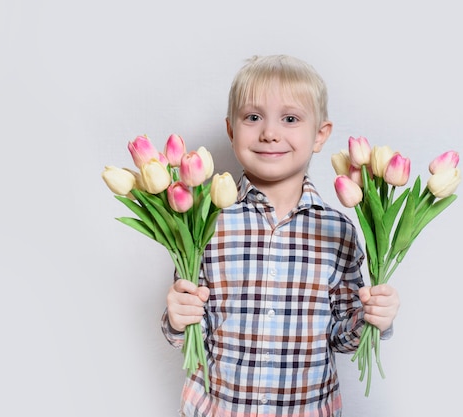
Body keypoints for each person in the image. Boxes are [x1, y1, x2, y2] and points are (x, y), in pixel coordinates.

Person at [161, 54, 400, 417]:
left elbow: (341, 335)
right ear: (231, 130)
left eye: (290, 119)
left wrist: (371, 318)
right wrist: (178, 318)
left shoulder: (339, 232)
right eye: (253, 117)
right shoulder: (204, 223)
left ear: (320, 135)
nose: (269, 132)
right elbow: (192, 331)